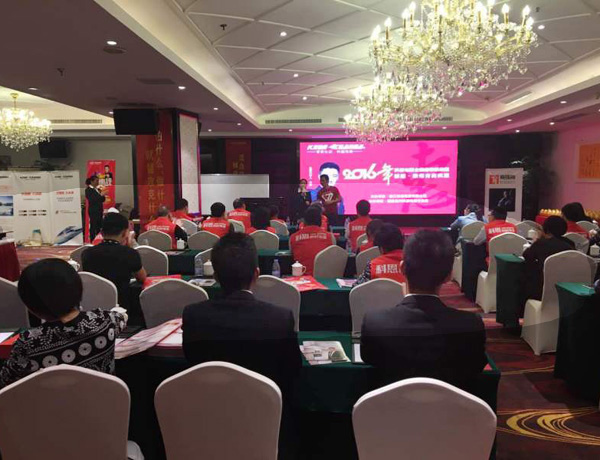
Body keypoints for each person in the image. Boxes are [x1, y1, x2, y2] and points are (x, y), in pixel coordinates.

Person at [361, 229, 487, 391]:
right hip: (451, 407)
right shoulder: (471, 326)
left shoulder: (374, 324)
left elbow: (368, 361)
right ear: (449, 275)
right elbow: (477, 366)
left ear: (402, 268)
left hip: (389, 406)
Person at [182, 233, 302, 395]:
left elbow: (192, 363)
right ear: (256, 274)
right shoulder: (281, 319)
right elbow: (293, 372)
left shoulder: (192, 316)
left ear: (215, 277)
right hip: (265, 406)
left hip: (208, 404)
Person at [0, 259, 127, 388]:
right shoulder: (105, 320)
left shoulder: (28, 343)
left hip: (48, 401)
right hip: (104, 398)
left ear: (31, 306)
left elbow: (6, 381)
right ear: (79, 289)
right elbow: (122, 318)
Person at [82, 213, 147, 311]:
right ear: (125, 233)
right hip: (121, 308)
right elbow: (142, 278)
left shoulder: (87, 253)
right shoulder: (130, 254)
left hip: (93, 308)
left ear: (101, 232)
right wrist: (129, 247)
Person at [522, 216, 575, 302]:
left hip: (542, 287)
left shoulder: (541, 243)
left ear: (546, 229)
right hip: (566, 288)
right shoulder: (570, 243)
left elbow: (526, 256)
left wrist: (537, 240)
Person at [290, 206, 334, 276]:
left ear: (304, 221)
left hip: (301, 278)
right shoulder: (330, 237)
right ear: (320, 221)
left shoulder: (293, 237)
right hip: (324, 278)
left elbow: (292, 255)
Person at [85, 175, 107, 241]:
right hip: (93, 211)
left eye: (98, 181)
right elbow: (92, 199)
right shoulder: (88, 190)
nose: (98, 182)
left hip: (99, 210)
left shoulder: (98, 189)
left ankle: (98, 240)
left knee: (99, 226)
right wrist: (101, 196)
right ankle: (92, 240)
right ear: (92, 181)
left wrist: (102, 195)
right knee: (93, 226)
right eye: (96, 181)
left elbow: (102, 199)